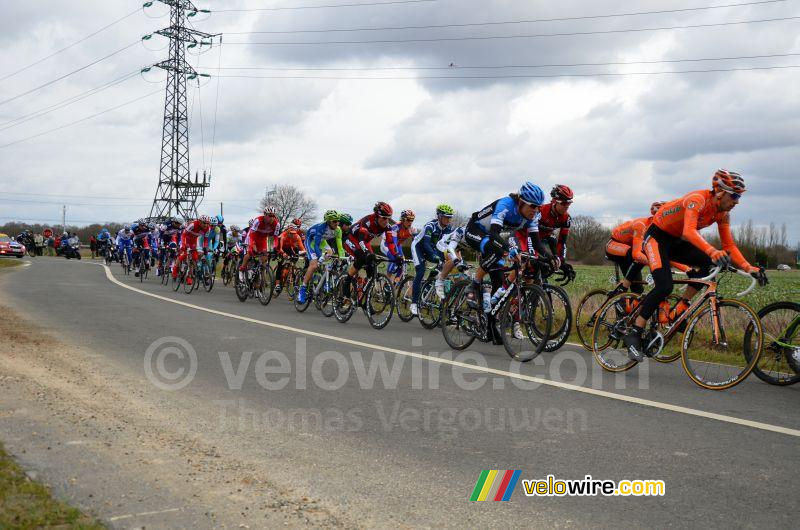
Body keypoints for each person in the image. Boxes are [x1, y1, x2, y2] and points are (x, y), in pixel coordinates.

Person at [623, 170, 769, 361]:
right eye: (734, 195)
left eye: (739, 196)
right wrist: (712, 251)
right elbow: (690, 232)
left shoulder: (722, 214)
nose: (737, 201)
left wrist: (749, 267)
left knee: (708, 266)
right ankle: (634, 331)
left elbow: (729, 245)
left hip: (677, 242)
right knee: (664, 286)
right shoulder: (697, 199)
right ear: (720, 192)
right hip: (656, 238)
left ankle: (680, 308)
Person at [464, 182, 555, 317]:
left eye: (539, 207)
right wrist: (511, 249)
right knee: (497, 250)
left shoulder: (532, 216)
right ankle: (473, 284)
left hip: (491, 236)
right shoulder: (505, 205)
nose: (535, 210)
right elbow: (494, 234)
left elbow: (537, 244)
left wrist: (550, 257)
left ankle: (490, 321)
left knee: (499, 280)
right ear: (521, 202)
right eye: (533, 206)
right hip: (475, 230)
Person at [340, 202, 396, 306]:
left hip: (364, 242)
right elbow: (360, 240)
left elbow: (390, 242)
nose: (386, 221)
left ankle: (364, 299)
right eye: (384, 218)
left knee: (372, 268)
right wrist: (367, 254)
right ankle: (347, 280)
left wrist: (396, 255)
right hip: (352, 239)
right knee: (362, 258)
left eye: (388, 218)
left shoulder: (387, 227)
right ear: (377, 215)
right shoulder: (367, 221)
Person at [409, 204, 454, 316]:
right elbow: (426, 243)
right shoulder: (430, 226)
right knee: (421, 270)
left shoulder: (448, 229)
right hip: (419, 247)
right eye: (446, 217)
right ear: (439, 216)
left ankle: (427, 286)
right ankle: (414, 303)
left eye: (450, 217)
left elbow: (447, 246)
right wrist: (435, 256)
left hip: (432, 248)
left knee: (442, 265)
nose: (448, 219)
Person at [297, 211, 340, 305]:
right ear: (328, 221)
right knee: (313, 264)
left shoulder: (337, 230)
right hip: (311, 241)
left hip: (322, 241)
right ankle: (302, 289)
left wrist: (339, 256)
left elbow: (338, 245)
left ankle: (325, 279)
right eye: (334, 221)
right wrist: (320, 256)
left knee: (331, 255)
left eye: (338, 221)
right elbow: (316, 245)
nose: (337, 223)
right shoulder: (321, 228)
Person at [538, 184, 575, 279]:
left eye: (569, 203)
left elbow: (562, 242)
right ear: (554, 202)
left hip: (547, 236)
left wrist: (562, 262)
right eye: (563, 203)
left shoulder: (566, 218)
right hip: (532, 236)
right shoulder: (541, 211)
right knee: (537, 263)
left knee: (554, 245)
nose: (566, 207)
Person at [239, 207, 280, 281]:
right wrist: (252, 246)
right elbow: (252, 234)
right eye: (270, 216)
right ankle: (242, 269)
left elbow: (274, 237)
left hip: (263, 239)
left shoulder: (276, 224)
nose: (272, 218)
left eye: (274, 216)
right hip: (252, 237)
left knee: (265, 257)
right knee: (250, 253)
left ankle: (260, 277)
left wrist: (273, 248)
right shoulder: (258, 220)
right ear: (265, 215)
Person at [380, 209, 419, 285]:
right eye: (408, 220)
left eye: (412, 220)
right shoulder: (395, 227)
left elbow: (417, 243)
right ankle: (386, 283)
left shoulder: (412, 229)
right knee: (395, 258)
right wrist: (397, 255)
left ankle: (395, 285)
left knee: (403, 263)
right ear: (403, 219)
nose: (410, 222)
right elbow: (393, 243)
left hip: (398, 245)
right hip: (386, 244)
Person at [172, 216, 211, 285]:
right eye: (204, 223)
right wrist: (183, 244)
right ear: (200, 221)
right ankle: (175, 270)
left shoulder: (208, 228)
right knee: (183, 255)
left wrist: (205, 247)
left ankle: (189, 276)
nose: (206, 225)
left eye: (207, 223)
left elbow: (205, 239)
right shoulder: (193, 224)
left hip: (193, 240)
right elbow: (183, 234)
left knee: (194, 258)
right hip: (185, 239)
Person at [435, 224, 468, 299]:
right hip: (443, 245)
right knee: (454, 260)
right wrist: (457, 261)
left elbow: (458, 250)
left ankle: (450, 303)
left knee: (460, 277)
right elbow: (450, 248)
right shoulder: (462, 231)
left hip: (455, 249)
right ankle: (439, 281)